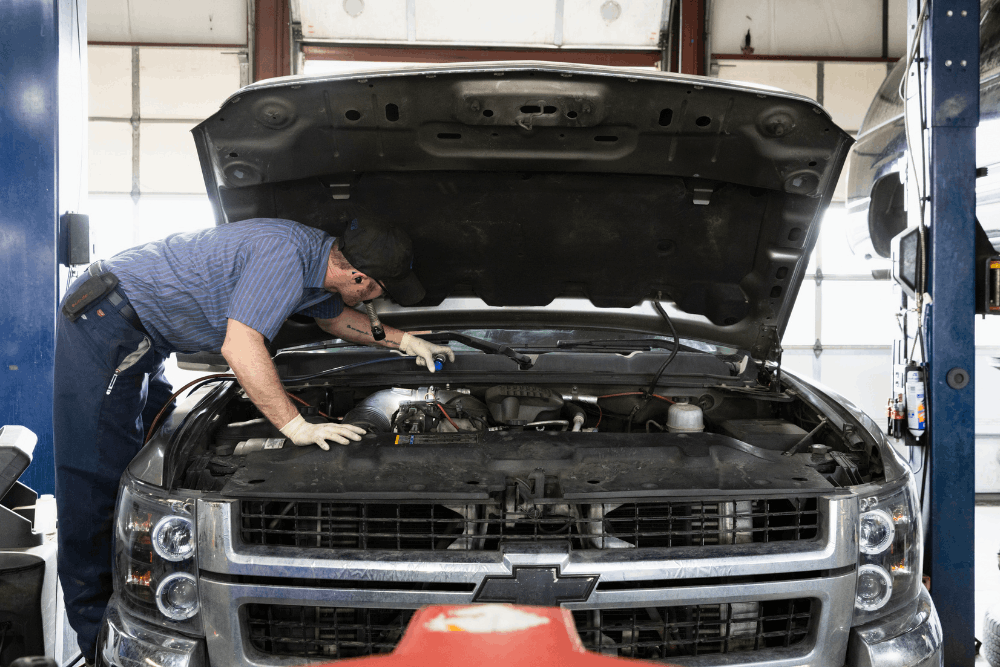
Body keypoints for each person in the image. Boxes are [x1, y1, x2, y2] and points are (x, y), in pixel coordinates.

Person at [52, 217, 454, 660]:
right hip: (106, 319)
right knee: (94, 480)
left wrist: (406, 341)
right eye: (378, 290)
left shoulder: (319, 273)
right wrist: (295, 426)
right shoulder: (283, 257)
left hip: (144, 333)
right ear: (359, 277)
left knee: (152, 446)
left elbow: (336, 321)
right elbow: (241, 347)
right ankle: (94, 642)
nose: (380, 298)